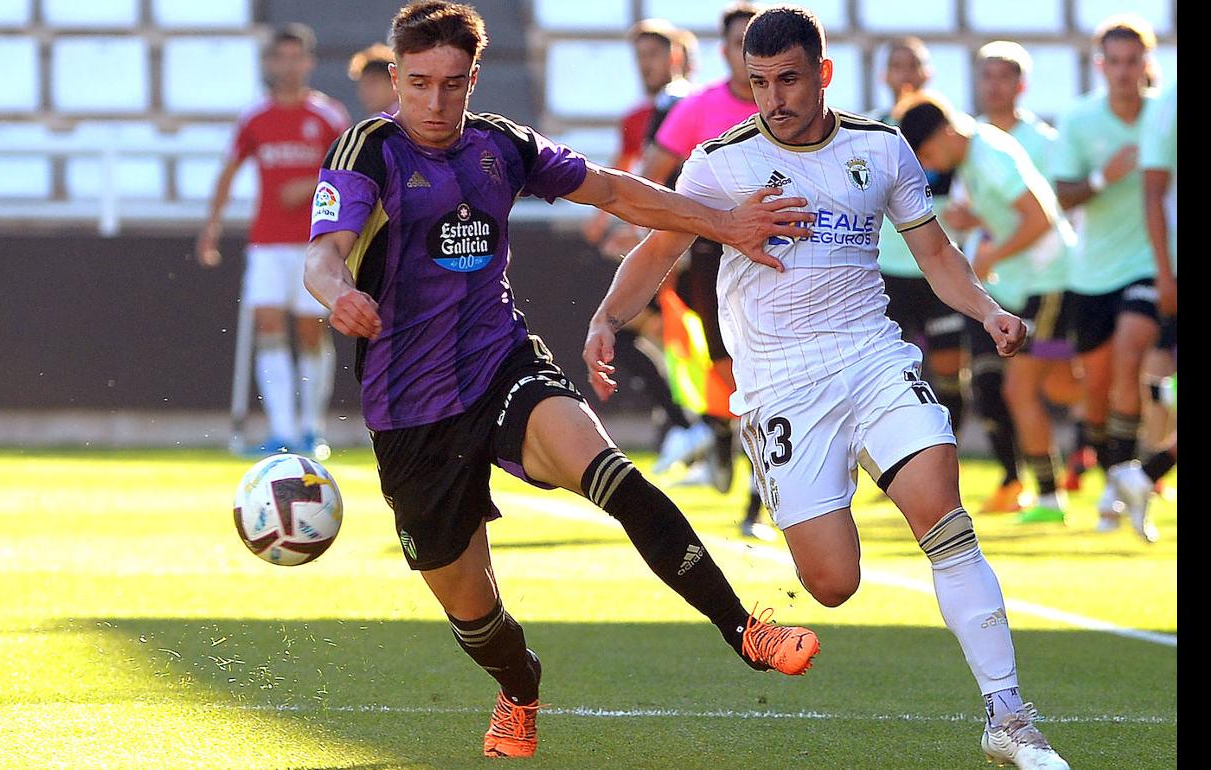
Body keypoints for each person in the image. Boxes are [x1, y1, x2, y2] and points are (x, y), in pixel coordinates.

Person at [302, 1, 820, 759]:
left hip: (500, 365)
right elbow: (323, 251)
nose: (436, 103)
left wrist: (725, 222)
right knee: (475, 616)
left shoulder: (500, 146)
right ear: (395, 78)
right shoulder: (367, 150)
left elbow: (613, 191)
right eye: (418, 84)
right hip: (409, 411)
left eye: (452, 84)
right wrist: (336, 290)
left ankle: (746, 630)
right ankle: (519, 688)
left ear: (474, 78)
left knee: (615, 478)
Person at [584, 8, 1069, 768]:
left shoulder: (881, 149)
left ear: (823, 74)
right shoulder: (719, 162)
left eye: (788, 79)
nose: (773, 97)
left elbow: (937, 253)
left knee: (943, 510)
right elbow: (658, 247)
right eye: (759, 83)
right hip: (780, 386)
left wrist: (987, 306)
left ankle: (1009, 718)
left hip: (871, 356)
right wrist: (608, 317)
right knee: (834, 581)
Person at [637, 3, 775, 537]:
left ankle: (758, 504)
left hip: (780, 258)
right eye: (743, 45)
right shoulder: (698, 109)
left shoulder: (795, 109)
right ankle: (719, 432)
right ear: (726, 52)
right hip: (712, 260)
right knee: (725, 371)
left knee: (765, 379)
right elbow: (652, 178)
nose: (752, 56)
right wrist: (655, 247)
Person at [198, 24, 351, 457]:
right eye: (280, 57)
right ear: (268, 64)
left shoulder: (328, 116)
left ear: (309, 62)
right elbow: (229, 169)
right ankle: (282, 432)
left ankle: (311, 429)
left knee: (309, 332)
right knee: (267, 328)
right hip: (266, 242)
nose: (288, 65)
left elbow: (349, 175)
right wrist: (212, 224)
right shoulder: (255, 118)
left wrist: (307, 184)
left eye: (296, 56)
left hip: (314, 244)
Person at [947, 42, 1083, 523]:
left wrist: (994, 247)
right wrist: (970, 225)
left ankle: (1069, 473)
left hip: (1042, 276)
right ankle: (1023, 483)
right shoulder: (970, 141)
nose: (994, 85)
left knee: (1055, 383)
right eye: (986, 76)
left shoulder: (1039, 141)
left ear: (1022, 84)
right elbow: (972, 212)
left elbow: (1047, 210)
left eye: (1004, 76)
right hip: (998, 282)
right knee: (997, 384)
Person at [580, 18, 707, 474]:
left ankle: (697, 427)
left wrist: (634, 229)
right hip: (659, 233)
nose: (645, 65)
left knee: (658, 334)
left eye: (653, 55)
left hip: (683, 237)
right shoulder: (639, 115)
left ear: (676, 57)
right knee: (660, 334)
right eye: (640, 58)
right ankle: (694, 428)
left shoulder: (685, 105)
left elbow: (663, 176)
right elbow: (627, 170)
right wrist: (603, 219)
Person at [1050, 15, 1161, 531]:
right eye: (1113, 62)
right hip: (1090, 272)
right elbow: (1063, 194)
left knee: (1129, 358)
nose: (1123, 71)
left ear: (1147, 63)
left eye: (1132, 60)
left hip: (1150, 263)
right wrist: (1103, 176)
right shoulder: (1078, 119)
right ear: (1101, 66)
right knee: (1095, 394)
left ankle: (1127, 478)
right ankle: (1118, 478)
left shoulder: (1164, 115)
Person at [869, 38, 977, 504]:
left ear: (929, 72)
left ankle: (941, 465)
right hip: (887, 271)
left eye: (914, 64)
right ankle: (898, 468)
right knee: (888, 376)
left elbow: (966, 197)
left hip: (935, 270)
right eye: (896, 64)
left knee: (951, 373)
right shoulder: (869, 135)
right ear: (883, 75)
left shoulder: (949, 133)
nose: (905, 72)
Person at [1109, 78, 1178, 542]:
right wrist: (1165, 273)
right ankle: (1143, 470)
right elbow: (1153, 191)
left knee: (1158, 371)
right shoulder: (1170, 103)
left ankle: (1146, 471)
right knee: (1150, 367)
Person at [347, 42, 399, 116]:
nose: (366, 91)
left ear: (394, 82)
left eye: (373, 83)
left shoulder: (406, 120)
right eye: (363, 84)